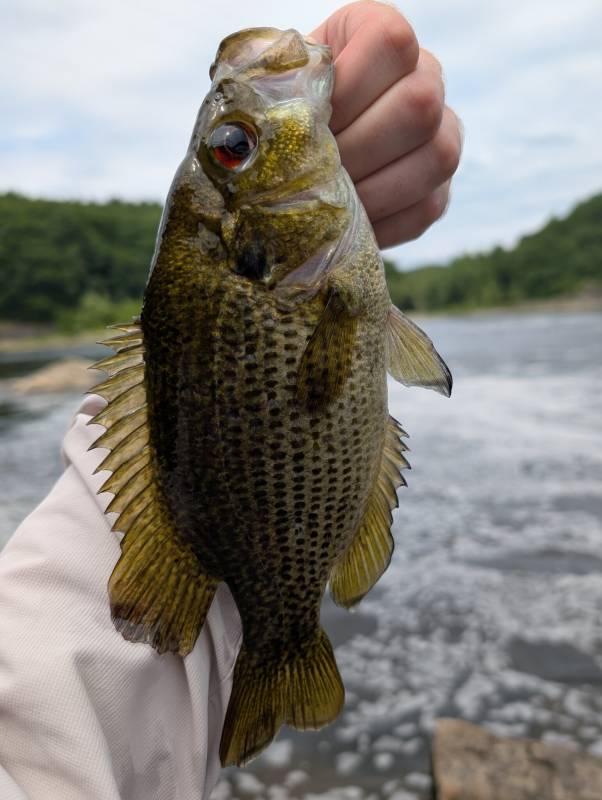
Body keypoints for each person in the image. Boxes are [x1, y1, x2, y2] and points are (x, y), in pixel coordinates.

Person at [0, 3, 461, 798]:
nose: (240, 143)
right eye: (235, 150)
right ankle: (284, 638)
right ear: (245, 244)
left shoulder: (307, 265)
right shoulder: (310, 273)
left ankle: (278, 638)